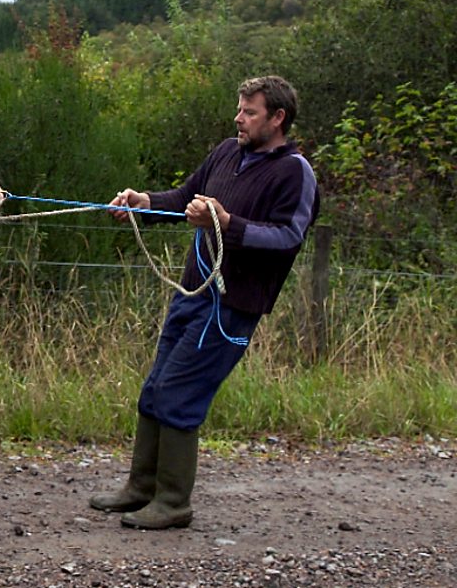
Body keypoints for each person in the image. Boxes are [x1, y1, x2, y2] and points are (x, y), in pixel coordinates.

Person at [91, 75, 320, 530]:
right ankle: (141, 489)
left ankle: (173, 503)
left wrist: (228, 222)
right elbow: (183, 199)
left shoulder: (295, 172)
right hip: (190, 293)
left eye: (249, 111)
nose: (238, 117)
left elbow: (288, 236)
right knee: (155, 388)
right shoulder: (226, 151)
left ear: (277, 119)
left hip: (233, 306)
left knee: (179, 393)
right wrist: (144, 201)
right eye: (239, 108)